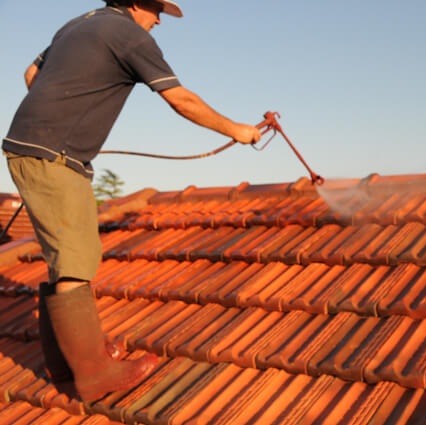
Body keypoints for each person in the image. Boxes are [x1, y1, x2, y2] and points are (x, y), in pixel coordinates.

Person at [2, 0, 261, 401]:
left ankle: (68, 365)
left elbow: (31, 73)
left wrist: (59, 116)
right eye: (157, 9)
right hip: (52, 155)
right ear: (138, 3)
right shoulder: (130, 35)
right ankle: (93, 377)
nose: (159, 19)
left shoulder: (79, 23)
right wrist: (238, 130)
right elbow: (181, 100)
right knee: (76, 259)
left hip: (36, 148)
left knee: (67, 256)